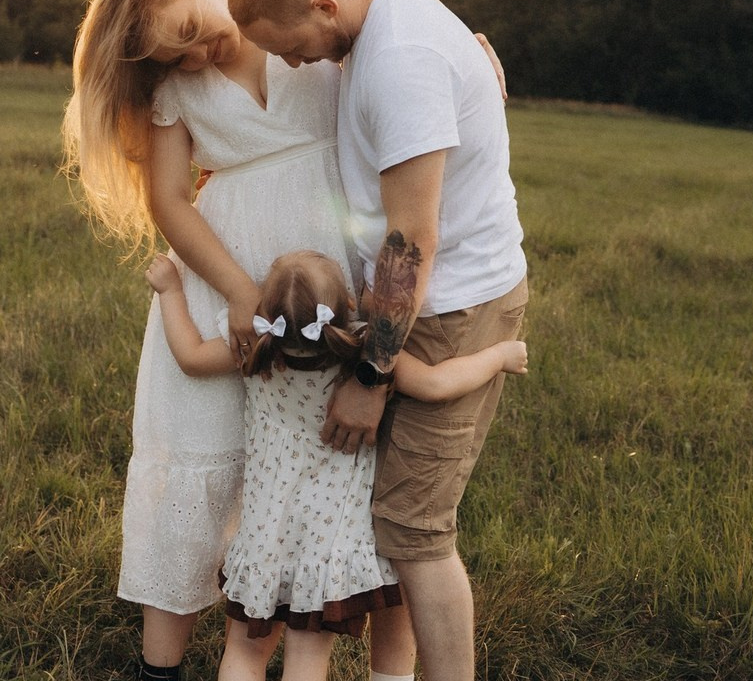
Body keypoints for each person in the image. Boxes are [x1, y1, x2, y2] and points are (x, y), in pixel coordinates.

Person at [60, 0, 416, 681]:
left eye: (190, 30)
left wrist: (466, 43)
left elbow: (394, 18)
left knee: (318, 459)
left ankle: (304, 634)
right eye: (175, 55)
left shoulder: (300, 17)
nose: (197, 55)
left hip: (323, 272)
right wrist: (234, 292)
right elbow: (168, 200)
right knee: (199, 447)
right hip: (226, 270)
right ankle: (158, 667)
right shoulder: (174, 88)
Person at [226, 0, 530, 681]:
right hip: (411, 306)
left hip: (453, 305)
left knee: (414, 529)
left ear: (324, 5)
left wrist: (369, 377)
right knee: (384, 521)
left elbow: (412, 240)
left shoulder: (399, 59)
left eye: (293, 47)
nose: (297, 65)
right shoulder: (379, 14)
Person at [145, 248, 527, 681]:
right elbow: (436, 385)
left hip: (265, 530)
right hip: (326, 546)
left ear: (266, 313)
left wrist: (171, 291)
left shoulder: (255, 350)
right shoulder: (365, 352)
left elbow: (191, 357)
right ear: (348, 304)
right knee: (307, 660)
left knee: (245, 651)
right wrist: (498, 357)